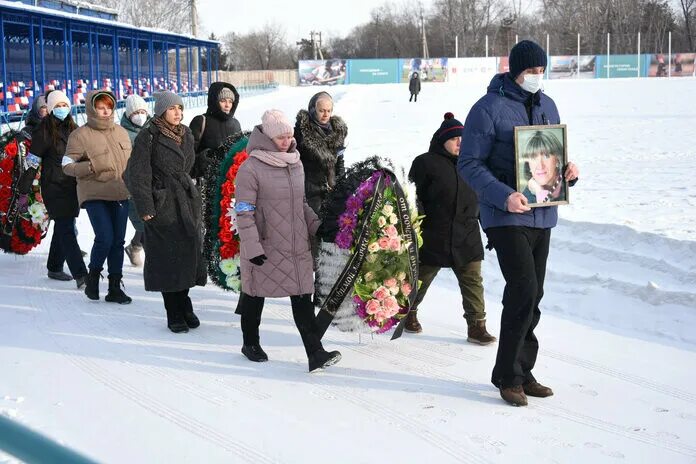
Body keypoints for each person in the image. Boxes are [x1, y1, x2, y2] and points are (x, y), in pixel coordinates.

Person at [457, 40, 579, 407]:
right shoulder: (487, 108)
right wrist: (502, 195)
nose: (537, 78)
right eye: (531, 71)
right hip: (505, 214)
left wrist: (568, 172)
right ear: (515, 71)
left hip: (543, 214)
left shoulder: (548, 105)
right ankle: (507, 376)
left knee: (534, 294)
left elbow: (550, 155)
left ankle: (524, 371)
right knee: (523, 288)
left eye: (542, 71)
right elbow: (468, 164)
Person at [234, 109, 341, 372]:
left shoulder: (296, 162)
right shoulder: (251, 168)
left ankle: (315, 353)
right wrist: (252, 247)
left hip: (296, 246)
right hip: (265, 245)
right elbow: (244, 212)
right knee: (253, 296)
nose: (286, 141)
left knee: (303, 298)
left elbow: (301, 204)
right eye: (280, 137)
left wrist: (317, 227)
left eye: (288, 136)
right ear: (268, 137)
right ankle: (250, 343)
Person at [406, 112, 496, 345]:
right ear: (443, 139)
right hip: (434, 234)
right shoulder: (425, 162)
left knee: (473, 281)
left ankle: (477, 326)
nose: (460, 143)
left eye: (463, 138)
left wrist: (491, 229)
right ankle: (408, 313)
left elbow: (484, 199)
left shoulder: (474, 164)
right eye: (455, 138)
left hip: (467, 234)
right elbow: (411, 198)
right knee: (420, 279)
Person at [124, 91, 207, 333]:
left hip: (186, 203)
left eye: (180, 108)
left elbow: (188, 166)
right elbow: (137, 174)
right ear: (161, 111)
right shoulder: (148, 136)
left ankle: (185, 303)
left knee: (187, 258)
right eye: (172, 109)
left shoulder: (186, 134)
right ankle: (174, 311)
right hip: (162, 204)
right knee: (167, 262)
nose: (178, 112)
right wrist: (147, 207)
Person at [63, 90, 133, 305]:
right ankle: (92, 278)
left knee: (118, 242)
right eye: (100, 107)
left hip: (120, 192)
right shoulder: (80, 135)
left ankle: (114, 286)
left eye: (109, 107)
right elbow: (66, 166)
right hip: (94, 193)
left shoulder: (121, 132)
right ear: (92, 109)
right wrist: (91, 166)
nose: (105, 112)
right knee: (105, 237)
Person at [28, 90, 87, 286]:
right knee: (67, 228)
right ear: (51, 109)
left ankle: (54, 266)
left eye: (64, 105)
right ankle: (82, 275)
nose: (62, 109)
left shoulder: (75, 128)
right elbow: (33, 159)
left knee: (63, 226)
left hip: (72, 185)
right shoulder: (44, 130)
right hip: (54, 186)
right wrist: (24, 187)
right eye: (58, 106)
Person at [294, 91, 347, 216]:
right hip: (310, 190)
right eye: (321, 110)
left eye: (329, 111)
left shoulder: (337, 131)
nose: (325, 115)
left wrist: (342, 185)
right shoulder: (302, 132)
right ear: (313, 110)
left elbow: (339, 161)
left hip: (332, 189)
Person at [120, 94, 152, 267]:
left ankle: (135, 246)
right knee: (144, 223)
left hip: (153, 183)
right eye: (135, 113)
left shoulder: (154, 128)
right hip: (134, 184)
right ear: (128, 115)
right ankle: (155, 264)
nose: (140, 115)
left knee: (149, 223)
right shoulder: (122, 133)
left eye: (142, 111)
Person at [189, 81, 241, 157]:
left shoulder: (235, 123)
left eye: (230, 102)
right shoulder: (200, 121)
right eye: (223, 101)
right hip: (205, 168)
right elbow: (189, 155)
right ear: (214, 101)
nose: (227, 105)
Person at [520, 130, 565, 204]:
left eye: (546, 156)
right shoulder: (525, 197)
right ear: (528, 165)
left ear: (557, 160)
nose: (540, 166)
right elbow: (542, 204)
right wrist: (539, 192)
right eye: (533, 157)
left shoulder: (565, 185)